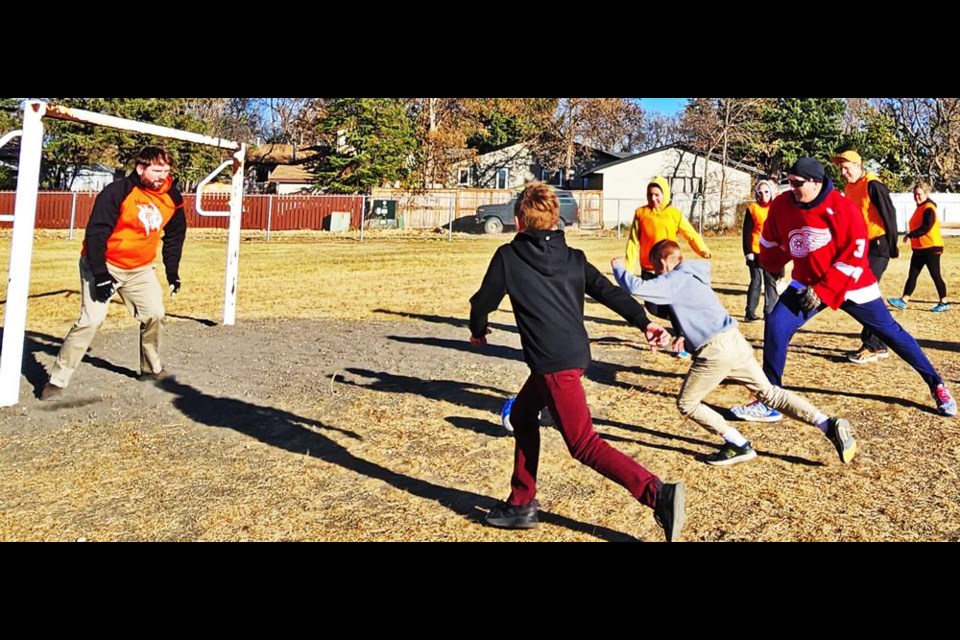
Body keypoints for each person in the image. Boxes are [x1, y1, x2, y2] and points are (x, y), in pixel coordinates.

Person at [469, 181, 686, 541]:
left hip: (554, 366)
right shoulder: (574, 258)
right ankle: (521, 503)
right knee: (522, 415)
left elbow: (483, 302)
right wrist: (644, 322)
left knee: (584, 444)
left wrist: (478, 330)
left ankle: (657, 494)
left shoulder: (508, 257)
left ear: (519, 221)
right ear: (555, 220)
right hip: (570, 357)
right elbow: (610, 293)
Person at [730, 157, 956, 423]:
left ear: (815, 183)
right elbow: (770, 240)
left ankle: (937, 385)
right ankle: (770, 400)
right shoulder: (783, 204)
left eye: (797, 183)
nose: (791, 188)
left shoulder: (843, 208)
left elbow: (855, 255)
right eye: (788, 182)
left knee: (892, 334)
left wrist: (824, 290)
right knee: (777, 323)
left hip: (852, 283)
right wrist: (772, 263)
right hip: (807, 280)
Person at [612, 240, 856, 466]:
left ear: (664, 263)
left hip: (715, 351)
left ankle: (738, 444)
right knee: (770, 394)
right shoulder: (693, 276)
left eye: (656, 269)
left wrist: (619, 268)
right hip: (735, 341)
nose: (657, 275)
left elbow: (636, 287)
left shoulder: (674, 279)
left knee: (687, 403)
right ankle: (827, 423)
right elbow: (696, 315)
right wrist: (684, 340)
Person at [41, 146, 185, 400]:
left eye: (166, 170)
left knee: (155, 314)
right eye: (157, 170)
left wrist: (172, 272)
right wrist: (100, 273)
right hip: (104, 263)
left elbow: (175, 235)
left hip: (140, 268)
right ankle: (57, 380)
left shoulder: (171, 196)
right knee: (91, 320)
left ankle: (151, 368)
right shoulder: (118, 192)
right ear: (141, 169)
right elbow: (96, 232)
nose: (163, 175)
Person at [625, 175, 710, 355]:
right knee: (653, 307)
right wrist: (628, 266)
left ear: (665, 194)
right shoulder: (641, 214)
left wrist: (702, 249)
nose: (653, 199)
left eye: (657, 194)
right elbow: (633, 241)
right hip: (648, 268)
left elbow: (690, 234)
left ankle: (683, 341)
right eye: (650, 195)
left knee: (674, 306)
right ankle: (683, 322)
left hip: (669, 270)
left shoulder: (674, 214)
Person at [829, 150, 900, 365]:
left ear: (858, 165)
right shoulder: (850, 187)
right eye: (840, 168)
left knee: (866, 293)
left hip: (879, 245)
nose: (843, 172)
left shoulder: (873, 184)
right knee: (861, 292)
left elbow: (890, 214)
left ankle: (874, 345)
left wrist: (893, 245)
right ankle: (877, 342)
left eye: (846, 167)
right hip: (862, 246)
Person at [888, 182, 949, 313]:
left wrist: (911, 235)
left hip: (931, 247)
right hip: (920, 248)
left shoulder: (929, 207)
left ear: (926, 194)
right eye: (915, 194)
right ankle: (903, 300)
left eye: (919, 194)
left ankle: (944, 302)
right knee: (913, 274)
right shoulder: (920, 207)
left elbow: (927, 227)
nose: (917, 197)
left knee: (935, 275)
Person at [742, 179, 780, 322]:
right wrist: (748, 253)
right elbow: (746, 232)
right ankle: (750, 313)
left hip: (772, 251)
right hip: (756, 251)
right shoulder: (752, 208)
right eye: (760, 192)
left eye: (766, 192)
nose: (764, 195)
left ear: (771, 193)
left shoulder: (776, 207)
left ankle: (770, 311)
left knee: (771, 282)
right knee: (756, 281)